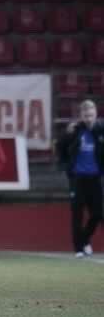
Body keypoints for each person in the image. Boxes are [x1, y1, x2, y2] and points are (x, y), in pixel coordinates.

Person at [57, 100, 104, 258]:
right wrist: (65, 166)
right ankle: (78, 249)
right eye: (85, 116)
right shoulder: (74, 130)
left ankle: (84, 239)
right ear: (81, 116)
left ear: (96, 114)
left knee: (98, 213)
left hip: (96, 179)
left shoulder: (101, 129)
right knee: (77, 214)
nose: (88, 118)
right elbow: (60, 146)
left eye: (91, 115)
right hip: (78, 179)